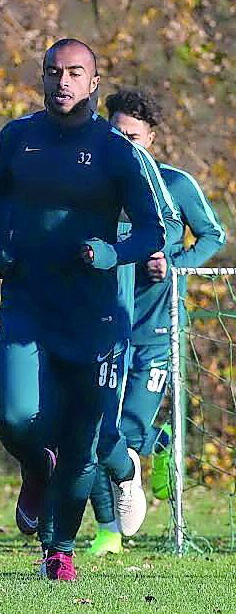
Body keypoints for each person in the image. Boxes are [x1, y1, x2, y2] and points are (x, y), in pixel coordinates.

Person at [0, 38, 165, 581]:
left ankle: (59, 549)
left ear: (93, 83)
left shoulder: (116, 148)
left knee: (82, 438)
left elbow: (154, 228)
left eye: (74, 73)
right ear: (42, 78)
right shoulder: (17, 137)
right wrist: (0, 245)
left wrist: (115, 252)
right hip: (28, 302)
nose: (62, 82)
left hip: (93, 316)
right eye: (53, 72)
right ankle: (36, 467)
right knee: (17, 418)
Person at [87, 88, 226, 554]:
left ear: (151, 138)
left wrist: (175, 263)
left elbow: (212, 235)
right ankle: (110, 527)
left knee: (124, 429)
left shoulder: (175, 184)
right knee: (92, 429)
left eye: (134, 137)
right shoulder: (94, 185)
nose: (125, 146)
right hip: (103, 324)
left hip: (156, 326)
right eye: (116, 135)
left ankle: (148, 462)